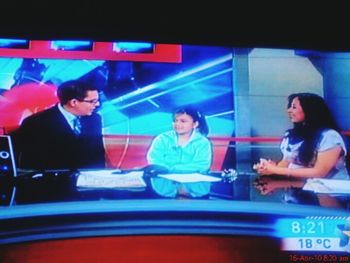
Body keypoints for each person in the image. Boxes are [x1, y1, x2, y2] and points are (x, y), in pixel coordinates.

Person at [253, 92, 349, 207]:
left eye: (294, 107)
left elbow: (319, 172)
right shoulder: (291, 135)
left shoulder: (329, 136)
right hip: (299, 189)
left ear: (310, 111)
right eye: (290, 107)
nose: (289, 110)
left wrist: (276, 170)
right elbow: (286, 163)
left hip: (331, 193)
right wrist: (268, 169)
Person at [11, 80, 106, 170]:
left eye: (97, 100)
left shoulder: (94, 119)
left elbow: (98, 153)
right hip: (51, 181)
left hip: (87, 180)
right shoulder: (36, 123)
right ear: (73, 102)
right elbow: (30, 162)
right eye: (92, 101)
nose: (97, 104)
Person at [146, 107, 213, 198]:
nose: (177, 124)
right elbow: (154, 161)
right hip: (163, 180)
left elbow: (202, 165)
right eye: (175, 120)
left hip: (194, 182)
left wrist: (172, 168)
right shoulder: (162, 139)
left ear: (195, 124)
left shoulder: (202, 142)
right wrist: (171, 170)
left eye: (183, 121)